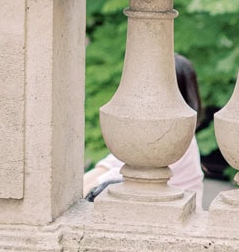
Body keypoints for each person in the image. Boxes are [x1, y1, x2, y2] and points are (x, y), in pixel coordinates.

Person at [82, 55, 205, 200]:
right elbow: (111, 164)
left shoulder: (180, 138)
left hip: (172, 213)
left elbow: (129, 173)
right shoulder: (150, 132)